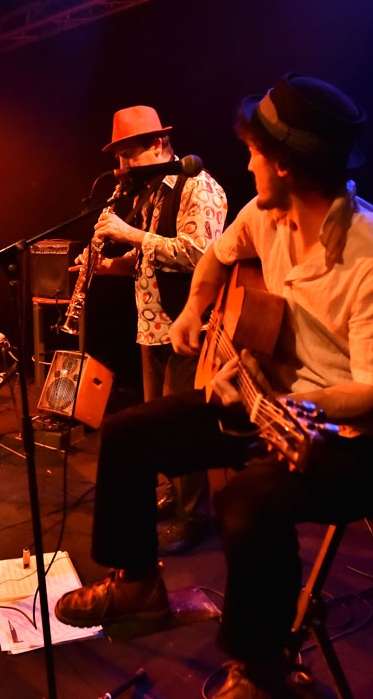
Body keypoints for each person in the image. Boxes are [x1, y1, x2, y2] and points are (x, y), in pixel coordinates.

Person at [55, 74, 373, 699]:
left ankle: (263, 665)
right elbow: (216, 258)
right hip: (265, 401)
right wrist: (196, 310)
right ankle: (139, 586)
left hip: (347, 441)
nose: (246, 162)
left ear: (282, 163)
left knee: (247, 503)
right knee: (127, 434)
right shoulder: (263, 214)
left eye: (254, 152)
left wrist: (288, 402)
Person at [87, 105, 228, 554]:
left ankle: (195, 517)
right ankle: (174, 495)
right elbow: (153, 256)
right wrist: (108, 266)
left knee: (182, 426)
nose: (122, 167)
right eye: (120, 158)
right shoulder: (150, 193)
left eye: (129, 155)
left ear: (159, 144)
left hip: (187, 326)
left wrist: (128, 233)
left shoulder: (197, 188)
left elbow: (198, 254)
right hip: (152, 325)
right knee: (159, 423)